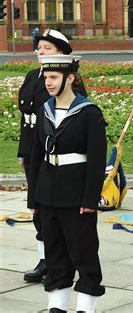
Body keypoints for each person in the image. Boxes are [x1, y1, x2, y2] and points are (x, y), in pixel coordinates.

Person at [27, 54, 106, 312]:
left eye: (54, 77)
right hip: (48, 194)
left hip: (76, 195)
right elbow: (37, 156)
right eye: (46, 77)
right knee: (55, 254)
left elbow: (96, 160)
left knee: (83, 254)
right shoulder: (44, 110)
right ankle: (57, 306)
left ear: (70, 78)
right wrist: (34, 198)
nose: (48, 82)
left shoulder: (88, 113)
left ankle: (85, 307)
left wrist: (90, 198)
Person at [18, 29, 87, 285]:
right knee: (38, 207)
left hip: (54, 154)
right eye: (40, 47)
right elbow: (26, 118)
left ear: (60, 53)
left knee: (56, 210)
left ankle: (61, 259)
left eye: (47, 48)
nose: (40, 52)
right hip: (33, 151)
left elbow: (77, 119)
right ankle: (45, 259)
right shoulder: (31, 76)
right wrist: (23, 152)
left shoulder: (70, 81)